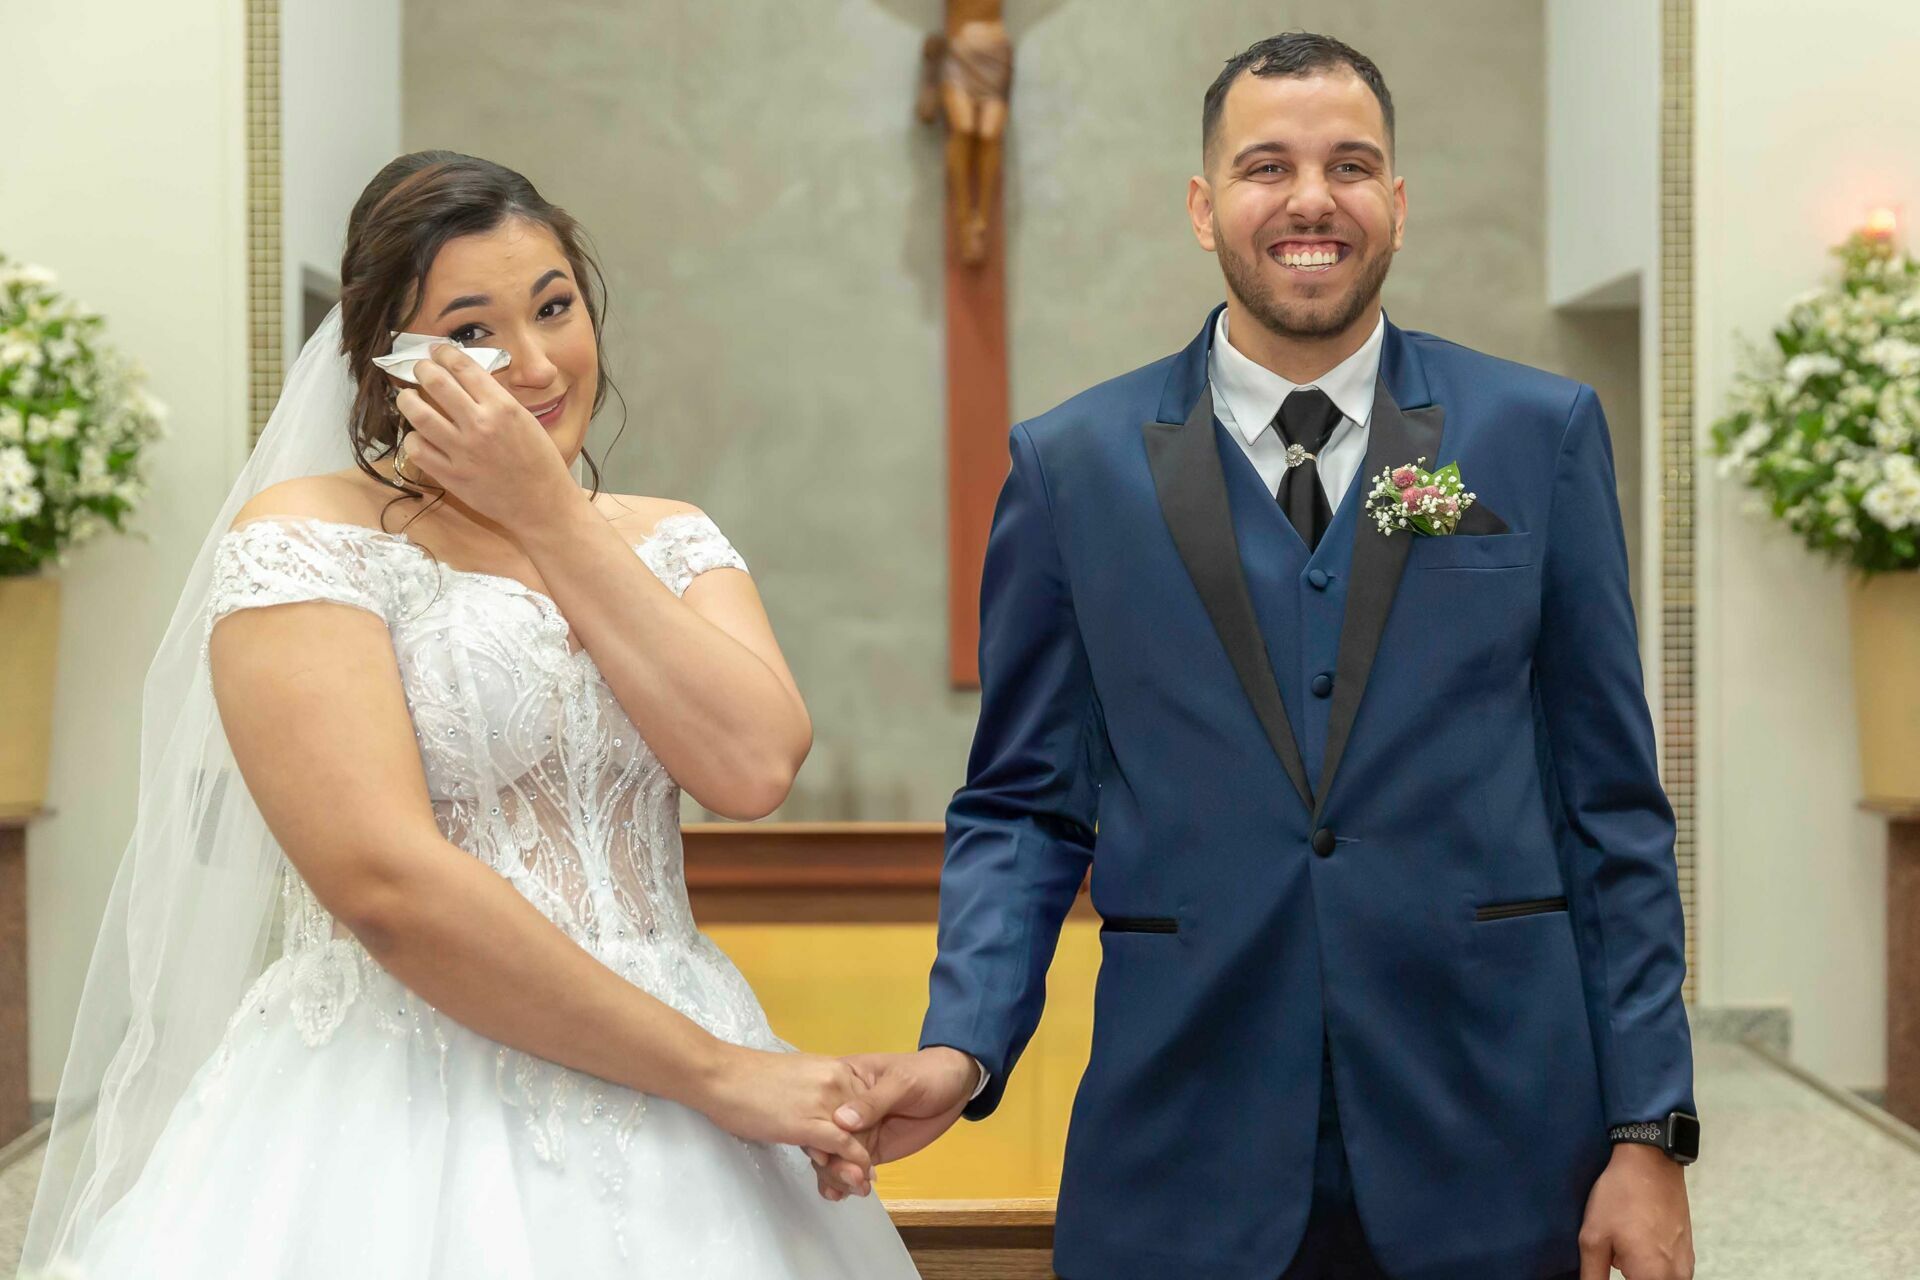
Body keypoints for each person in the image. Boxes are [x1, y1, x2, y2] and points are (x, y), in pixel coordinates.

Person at [821, 31, 1699, 1280]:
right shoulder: (1073, 467)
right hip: (1184, 1142)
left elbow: (1610, 806)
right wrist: (963, 1043)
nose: (1309, 199)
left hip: (1495, 1136)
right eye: (1265, 165)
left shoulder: (1535, 434)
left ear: (1397, 202)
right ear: (1203, 205)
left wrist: (1648, 1130)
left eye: (1350, 165)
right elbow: (1022, 807)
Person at [22, 151, 918, 1278]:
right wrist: (715, 1071)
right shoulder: (309, 537)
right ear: (383, 361)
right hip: (401, 1089)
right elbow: (386, 885)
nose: (535, 364)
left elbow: (749, 766)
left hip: (696, 1099)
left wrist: (551, 514)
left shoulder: (668, 535)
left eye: (555, 305)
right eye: (474, 330)